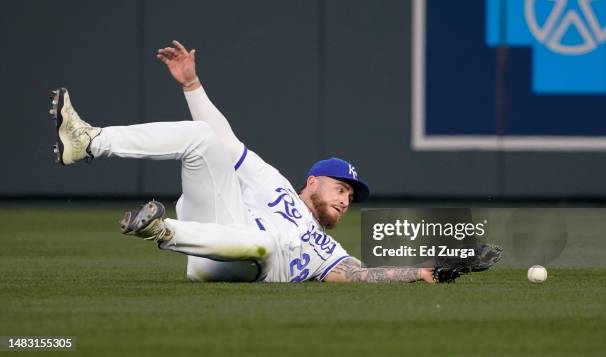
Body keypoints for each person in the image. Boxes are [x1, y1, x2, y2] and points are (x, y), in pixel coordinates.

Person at [50, 40, 436, 283]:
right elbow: (224, 139)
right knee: (201, 137)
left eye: (351, 196)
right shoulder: (274, 184)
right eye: (341, 188)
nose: (345, 199)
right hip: (215, 237)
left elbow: (359, 274)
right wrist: (191, 85)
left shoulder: (328, 250)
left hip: (240, 264)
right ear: (313, 182)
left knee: (266, 245)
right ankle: (90, 141)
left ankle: (162, 230)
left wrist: (422, 272)